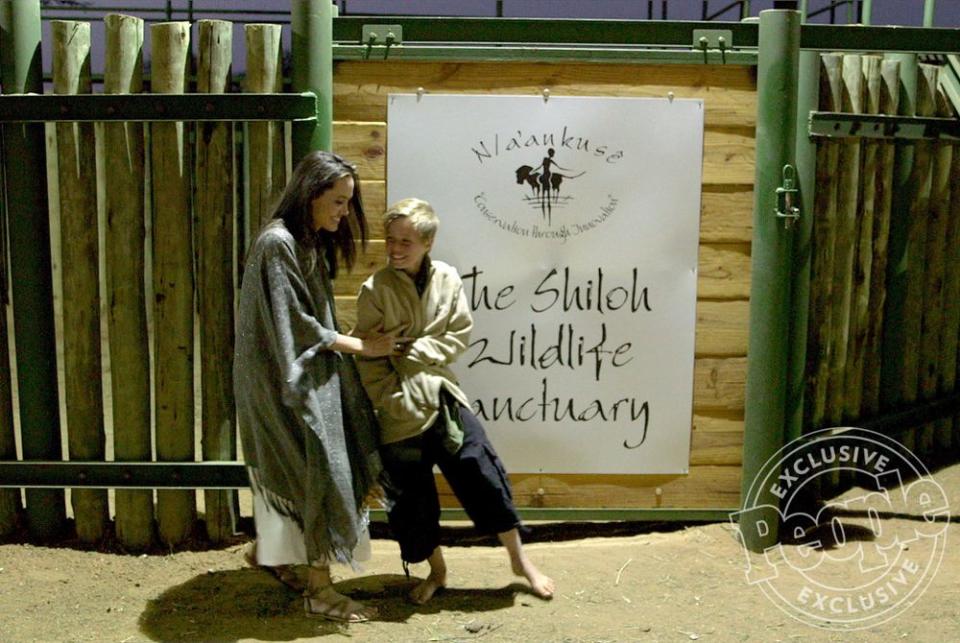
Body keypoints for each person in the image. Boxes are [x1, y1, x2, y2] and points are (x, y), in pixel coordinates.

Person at [354, 198, 555, 604]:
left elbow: (459, 334)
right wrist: (390, 397)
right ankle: (437, 572)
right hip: (398, 409)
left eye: (405, 241)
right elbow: (367, 356)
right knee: (412, 501)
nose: (395, 249)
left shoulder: (447, 278)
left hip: (443, 396)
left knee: (481, 470)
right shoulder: (375, 290)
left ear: (428, 242)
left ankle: (519, 561)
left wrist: (416, 351)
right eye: (391, 240)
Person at [234, 151, 403, 622]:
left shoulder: (303, 242)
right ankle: (320, 591)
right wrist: (361, 346)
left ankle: (278, 556)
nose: (343, 212)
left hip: (301, 374)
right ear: (310, 195)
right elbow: (293, 323)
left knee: (314, 466)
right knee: (318, 470)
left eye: (349, 203)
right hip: (280, 382)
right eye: (337, 201)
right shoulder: (277, 243)